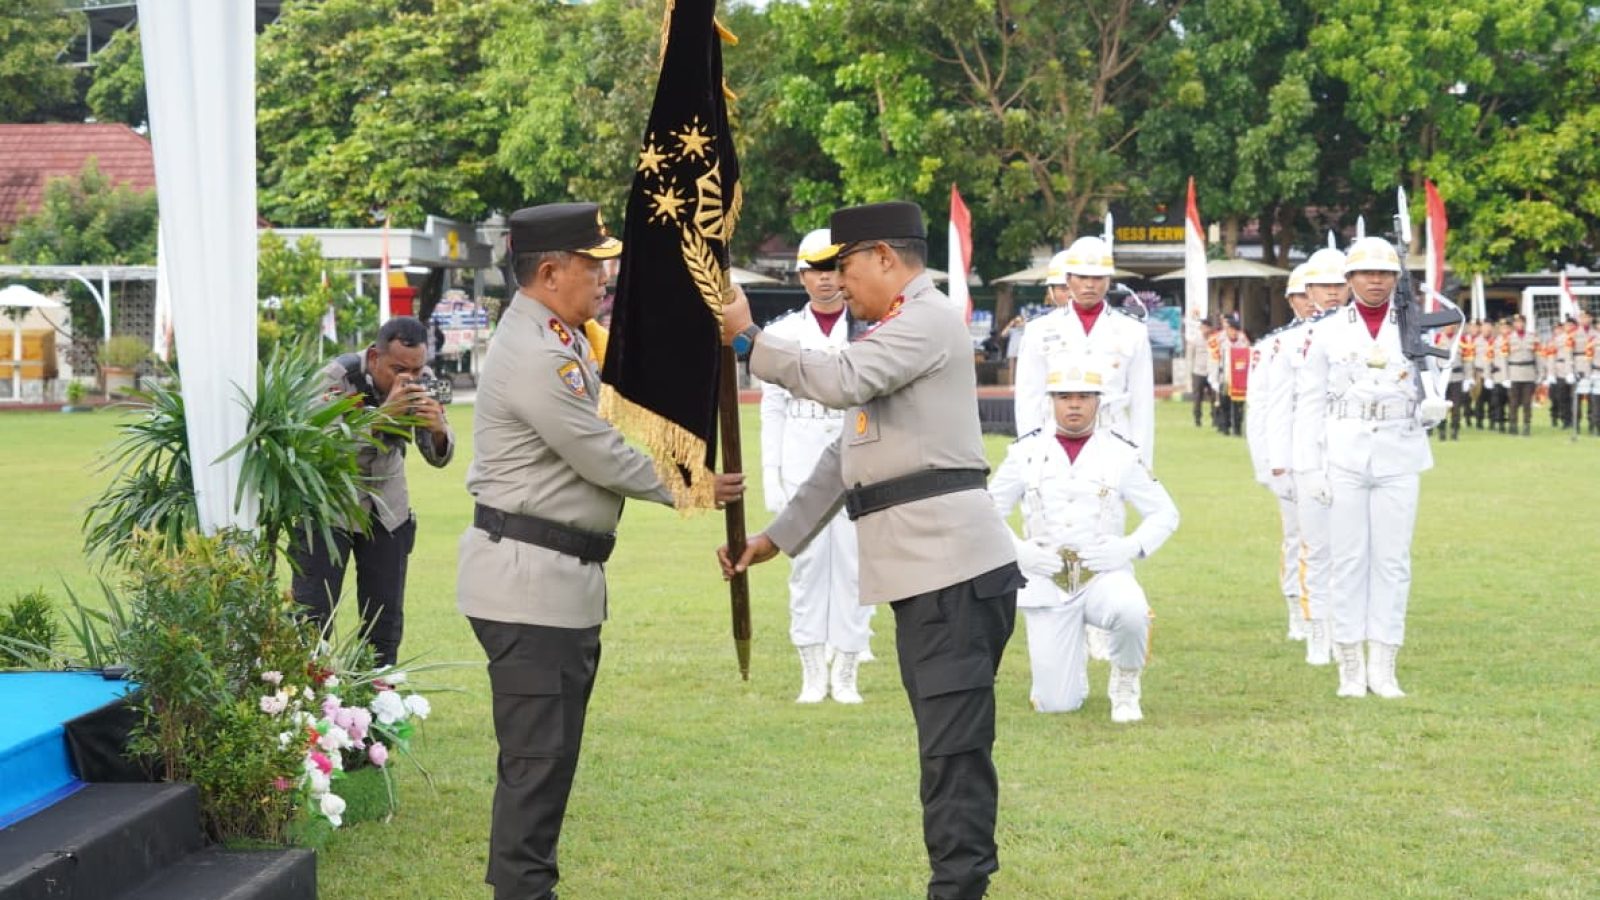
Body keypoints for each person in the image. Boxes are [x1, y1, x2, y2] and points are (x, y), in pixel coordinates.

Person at [717, 201, 1022, 900]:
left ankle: (959, 887)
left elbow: (841, 381)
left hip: (952, 571)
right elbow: (845, 457)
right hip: (928, 572)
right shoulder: (892, 329)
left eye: (845, 266)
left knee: (953, 751)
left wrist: (747, 341)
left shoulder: (925, 320)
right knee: (943, 746)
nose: (838, 283)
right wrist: (776, 536)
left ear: (885, 257)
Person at [458, 201, 743, 900]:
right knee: (536, 764)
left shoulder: (561, 334)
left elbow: (626, 382)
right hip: (528, 584)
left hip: (555, 584)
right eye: (594, 264)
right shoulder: (535, 351)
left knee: (547, 764)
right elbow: (596, 450)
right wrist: (691, 485)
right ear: (550, 271)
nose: (604, 276)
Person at [1295, 236, 1446, 699]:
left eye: (1384, 273)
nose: (1375, 281)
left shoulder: (1416, 326)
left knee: (1393, 562)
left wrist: (1436, 403)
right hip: (1343, 451)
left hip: (1399, 450)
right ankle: (1349, 667)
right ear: (1350, 279)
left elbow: (1433, 378)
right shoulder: (1326, 331)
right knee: (1348, 560)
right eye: (1365, 273)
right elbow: (1309, 403)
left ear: (1397, 278)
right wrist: (1308, 468)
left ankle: (1383, 664)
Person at [989, 353, 1178, 722]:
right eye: (1064, 397)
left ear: (1098, 401)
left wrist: (1130, 547)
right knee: (1057, 703)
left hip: (1102, 571)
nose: (1074, 405)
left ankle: (1125, 682)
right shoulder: (1024, 452)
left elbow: (1165, 512)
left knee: (1132, 611)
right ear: (1052, 402)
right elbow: (986, 510)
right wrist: (1019, 552)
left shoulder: (1121, 454)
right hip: (1046, 576)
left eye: (1083, 397)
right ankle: (1068, 675)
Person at [290, 315, 453, 668]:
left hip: (387, 508)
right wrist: (380, 416)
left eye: (417, 368)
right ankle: (302, 704)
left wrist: (438, 429)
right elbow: (321, 447)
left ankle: (378, 702)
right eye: (398, 370)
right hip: (330, 505)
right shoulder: (337, 377)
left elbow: (437, 455)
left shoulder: (424, 379)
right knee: (312, 615)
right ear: (375, 357)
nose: (408, 379)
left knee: (385, 618)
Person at [758, 227, 873, 703]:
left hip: (857, 458)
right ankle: (811, 671)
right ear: (801, 276)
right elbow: (772, 409)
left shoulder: (870, 329)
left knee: (854, 568)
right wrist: (772, 477)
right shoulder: (782, 333)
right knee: (805, 568)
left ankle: (846, 671)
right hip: (802, 460)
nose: (825, 280)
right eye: (815, 271)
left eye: (833, 269)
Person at [1013, 236, 1155, 465]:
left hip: (1113, 439)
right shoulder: (1039, 330)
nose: (1090, 284)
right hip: (1055, 440)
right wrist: (1029, 457)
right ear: (1068, 279)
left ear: (1109, 280)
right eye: (1082, 277)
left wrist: (1142, 464)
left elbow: (1142, 406)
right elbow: (1028, 400)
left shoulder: (1132, 330)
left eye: (1098, 277)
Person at [1280, 247, 1351, 666]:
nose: (1333, 293)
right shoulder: (1287, 343)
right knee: (1309, 544)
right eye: (1324, 286)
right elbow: (1276, 410)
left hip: (1351, 450)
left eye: (1340, 284)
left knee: (1352, 548)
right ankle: (1312, 624)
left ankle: (1342, 625)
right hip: (1305, 454)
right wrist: (1276, 464)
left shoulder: (1359, 334)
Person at [1248, 265, 1312, 643]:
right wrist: (1267, 466)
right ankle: (1296, 607)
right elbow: (1261, 410)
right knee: (1296, 536)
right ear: (1291, 300)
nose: (1319, 299)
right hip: (1288, 457)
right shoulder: (1273, 346)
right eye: (1303, 294)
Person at [1215, 313, 1250, 436]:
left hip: (1238, 378)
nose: (1233, 333)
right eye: (1231, 330)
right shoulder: (1220, 339)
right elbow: (1214, 358)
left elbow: (1247, 356)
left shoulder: (1243, 340)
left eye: (1235, 330)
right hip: (1224, 376)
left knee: (1238, 405)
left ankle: (1237, 428)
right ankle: (1225, 428)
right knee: (1224, 403)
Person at [1506, 314, 1537, 435]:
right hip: (1514, 372)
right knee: (1513, 402)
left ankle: (1526, 426)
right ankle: (1513, 425)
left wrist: (1540, 373)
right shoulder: (1508, 338)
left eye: (1522, 322)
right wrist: (1505, 376)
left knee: (1527, 403)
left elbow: (1537, 356)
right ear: (1514, 324)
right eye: (1517, 322)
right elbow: (1504, 358)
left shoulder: (1532, 337)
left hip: (1529, 373)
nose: (1519, 324)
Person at [1186, 311, 1215, 427]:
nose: (1204, 330)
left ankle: (1215, 418)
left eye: (1206, 327)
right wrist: (1190, 374)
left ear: (1210, 328)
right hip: (1198, 372)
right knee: (1197, 397)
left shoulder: (1214, 339)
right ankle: (1197, 419)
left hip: (1212, 372)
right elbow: (1190, 357)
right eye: (1202, 327)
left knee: (1214, 397)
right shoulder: (1195, 340)